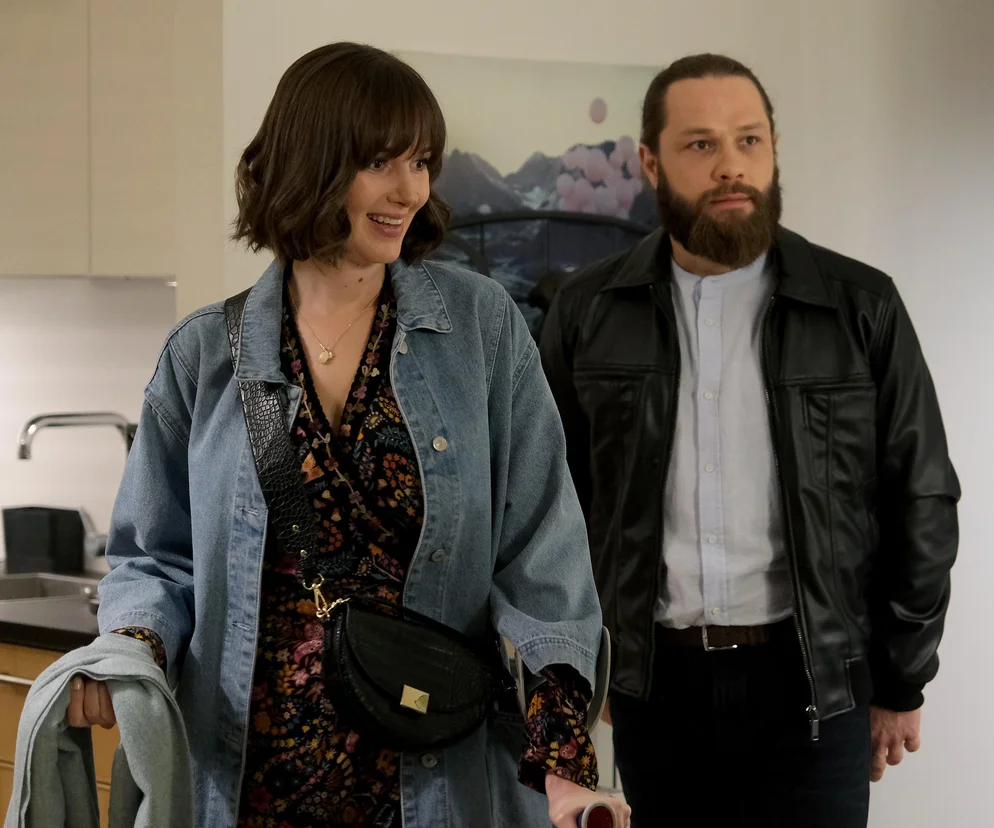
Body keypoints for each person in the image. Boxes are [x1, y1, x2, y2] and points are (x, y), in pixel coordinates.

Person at [65, 43, 629, 828]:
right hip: (247, 781)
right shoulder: (204, 354)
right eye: (379, 162)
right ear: (311, 163)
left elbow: (543, 561)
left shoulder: (482, 330)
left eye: (421, 162)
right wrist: (129, 647)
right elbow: (154, 558)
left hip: (436, 781)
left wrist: (565, 768)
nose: (410, 190)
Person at [540, 53, 959, 828]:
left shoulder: (861, 306)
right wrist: (584, 678)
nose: (731, 165)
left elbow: (922, 496)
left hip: (814, 687)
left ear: (773, 150)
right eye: (701, 144)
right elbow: (554, 509)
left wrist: (904, 679)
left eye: (749, 140)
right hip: (655, 690)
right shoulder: (587, 311)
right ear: (650, 164)